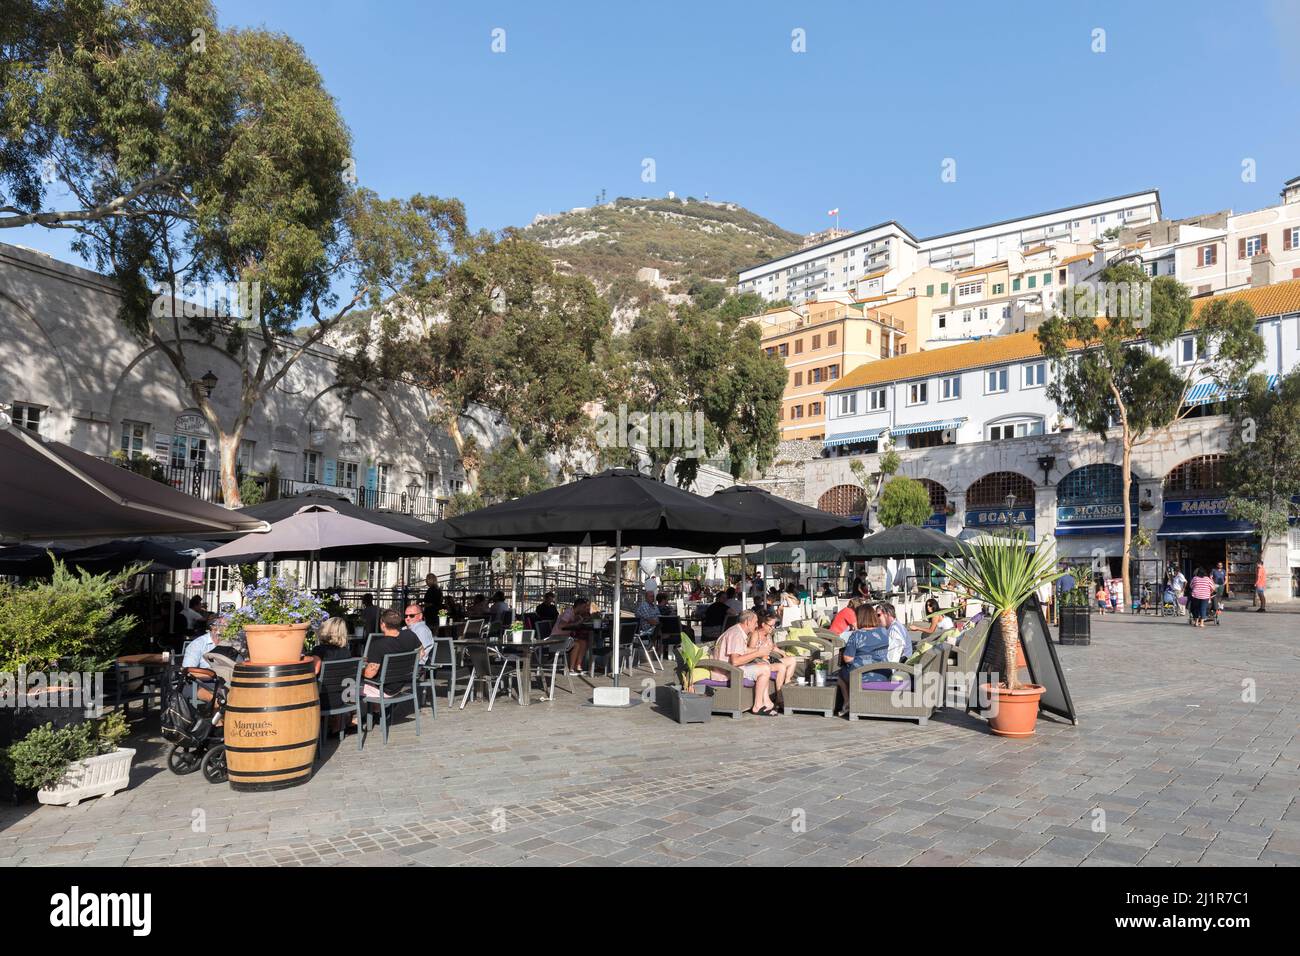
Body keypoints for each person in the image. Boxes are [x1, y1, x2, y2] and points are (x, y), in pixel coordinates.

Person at [837, 601, 911, 710]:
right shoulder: (883, 632)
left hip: (863, 676)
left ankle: (848, 702)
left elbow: (848, 659)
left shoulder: (856, 635)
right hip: (884, 674)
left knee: (841, 673)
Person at [711, 610, 777, 716]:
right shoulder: (736, 634)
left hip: (729, 668)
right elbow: (735, 661)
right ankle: (757, 706)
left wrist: (759, 651)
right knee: (765, 669)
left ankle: (766, 701)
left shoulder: (737, 631)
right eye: (755, 622)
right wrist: (758, 653)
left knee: (763, 665)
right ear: (747, 622)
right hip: (726, 672)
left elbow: (742, 650)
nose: (756, 625)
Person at [363, 609, 422, 699]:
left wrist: (361, 668)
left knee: (349, 685)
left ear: (383, 624)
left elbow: (369, 674)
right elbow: (421, 653)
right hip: (402, 684)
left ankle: (347, 712)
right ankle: (378, 711)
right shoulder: (410, 635)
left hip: (384, 689)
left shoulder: (377, 645)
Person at [553, 597, 593, 672]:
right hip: (556, 638)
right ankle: (571, 669)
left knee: (583, 642)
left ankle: (577, 666)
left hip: (565, 637)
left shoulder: (575, 614)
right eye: (584, 607)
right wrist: (575, 623)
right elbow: (561, 625)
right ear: (579, 606)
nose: (585, 609)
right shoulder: (568, 612)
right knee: (577, 644)